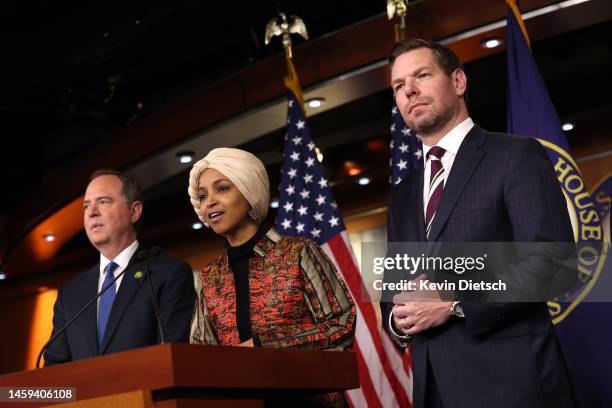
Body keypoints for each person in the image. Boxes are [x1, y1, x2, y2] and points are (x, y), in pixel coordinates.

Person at [380, 39, 576, 407]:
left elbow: (554, 264)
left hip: (514, 386)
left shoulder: (515, 155)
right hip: (433, 388)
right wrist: (398, 318)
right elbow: (394, 290)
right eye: (398, 85)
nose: (409, 90)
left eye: (422, 74)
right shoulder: (402, 193)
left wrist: (454, 303)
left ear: (458, 82)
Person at [187, 148, 355, 404]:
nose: (209, 201)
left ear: (249, 192)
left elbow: (340, 326)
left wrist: (263, 348)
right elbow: (201, 355)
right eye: (202, 195)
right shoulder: (211, 276)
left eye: (222, 189)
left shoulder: (298, 252)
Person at [44, 170, 195, 365]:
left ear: (134, 211)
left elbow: (173, 356)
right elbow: (54, 367)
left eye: (104, 202)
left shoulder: (167, 275)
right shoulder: (70, 293)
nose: (92, 212)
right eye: (86, 205)